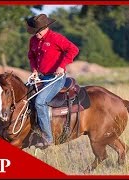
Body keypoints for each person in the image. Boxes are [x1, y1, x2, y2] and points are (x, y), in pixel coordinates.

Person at [26, 14, 79, 147]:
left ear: (46, 27)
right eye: (35, 31)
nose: (37, 34)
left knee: (39, 103)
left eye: (39, 31)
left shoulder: (56, 38)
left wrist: (62, 66)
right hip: (40, 77)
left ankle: (47, 138)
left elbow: (73, 49)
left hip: (56, 78)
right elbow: (31, 57)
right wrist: (34, 70)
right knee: (25, 99)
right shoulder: (33, 40)